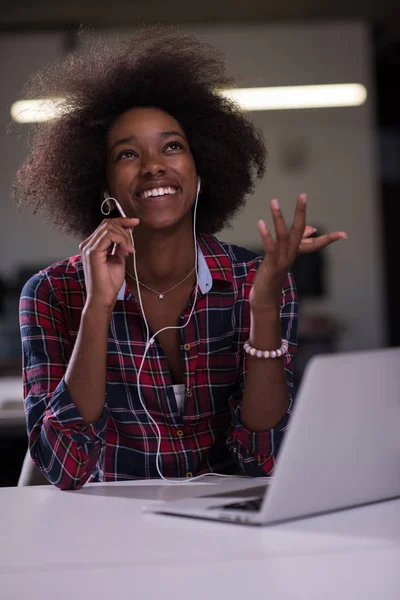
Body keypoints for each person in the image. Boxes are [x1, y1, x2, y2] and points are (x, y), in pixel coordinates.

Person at [15, 29, 347, 490]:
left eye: (172, 146)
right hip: (106, 533)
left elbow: (262, 460)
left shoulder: (256, 279)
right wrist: (97, 307)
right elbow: (64, 467)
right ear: (104, 186)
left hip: (229, 530)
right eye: (128, 154)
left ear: (200, 170)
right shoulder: (52, 293)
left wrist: (265, 306)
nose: (154, 165)